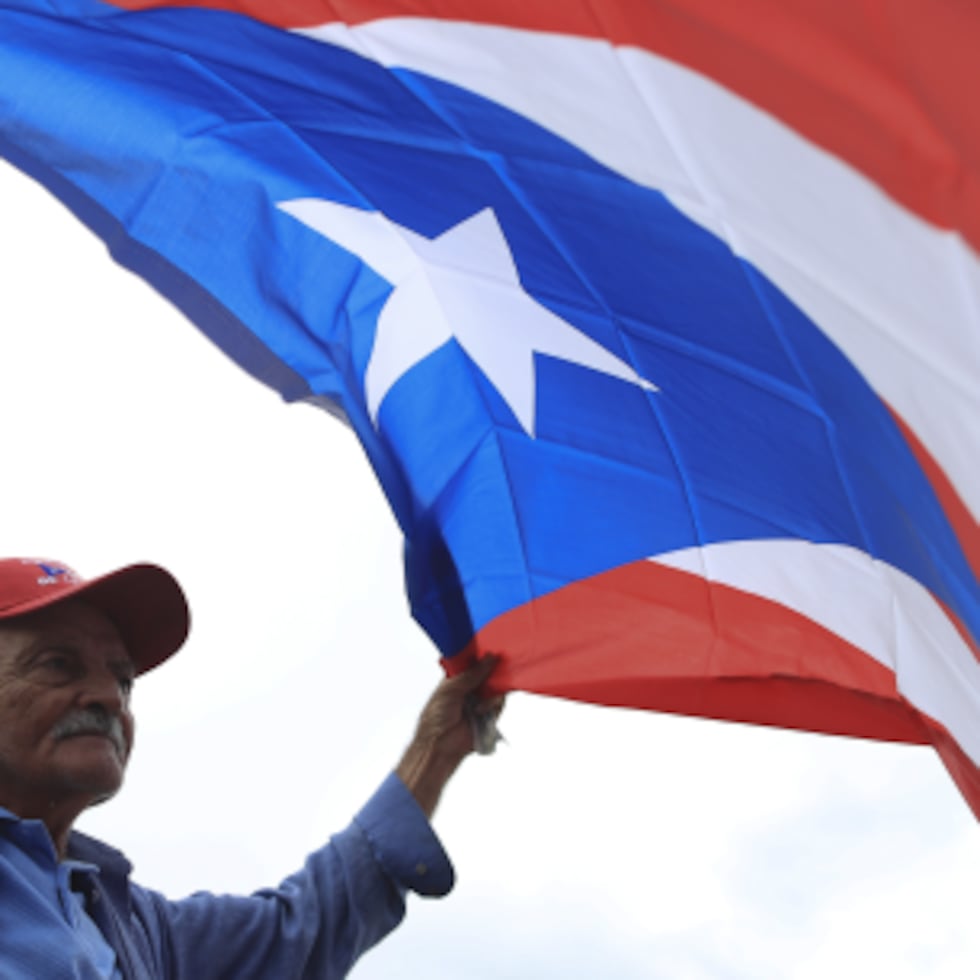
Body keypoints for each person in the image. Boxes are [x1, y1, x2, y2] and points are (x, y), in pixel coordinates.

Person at [0, 557, 502, 979]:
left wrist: (433, 754)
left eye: (124, 680)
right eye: (58, 664)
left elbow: (297, 929)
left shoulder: (132, 925)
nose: (109, 698)